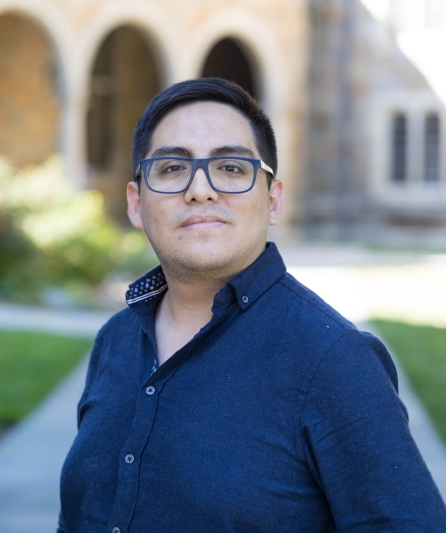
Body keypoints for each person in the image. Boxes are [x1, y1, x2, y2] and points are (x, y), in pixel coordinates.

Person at [57, 78, 446, 532]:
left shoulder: (335, 361)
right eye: (171, 168)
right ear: (136, 203)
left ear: (273, 199)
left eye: (231, 167)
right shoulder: (116, 340)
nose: (200, 190)